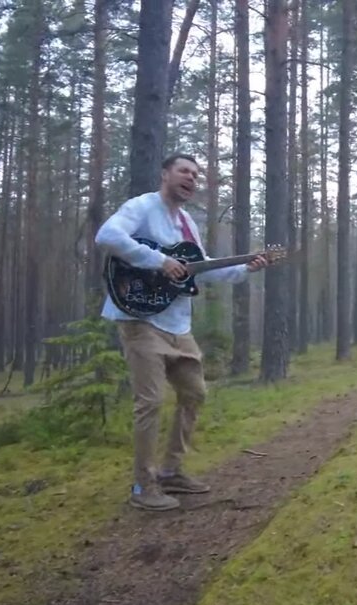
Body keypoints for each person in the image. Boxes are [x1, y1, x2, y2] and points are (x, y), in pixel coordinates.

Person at [95, 153, 269, 512]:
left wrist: (245, 268)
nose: (190, 178)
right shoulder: (142, 207)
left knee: (194, 393)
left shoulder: (187, 222)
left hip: (177, 325)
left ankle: (172, 470)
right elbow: (107, 236)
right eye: (183, 171)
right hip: (140, 319)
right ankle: (143, 486)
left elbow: (199, 271)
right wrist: (159, 261)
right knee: (150, 402)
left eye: (195, 174)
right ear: (165, 175)